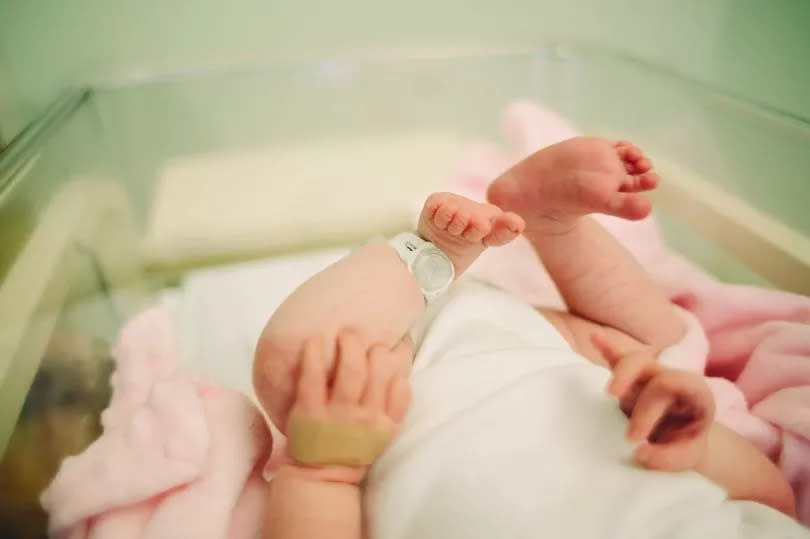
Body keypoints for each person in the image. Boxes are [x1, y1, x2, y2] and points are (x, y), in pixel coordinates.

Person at [253, 137, 798, 538]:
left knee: (298, 364)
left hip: (382, 405)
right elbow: (774, 500)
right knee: (657, 340)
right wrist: (695, 441)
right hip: (602, 389)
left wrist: (323, 471)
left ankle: (430, 259)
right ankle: (549, 221)